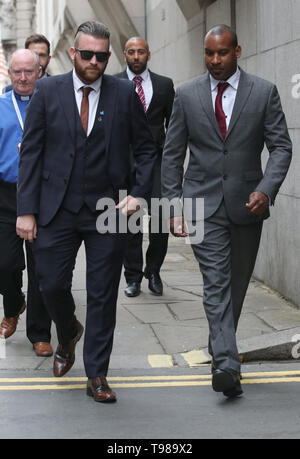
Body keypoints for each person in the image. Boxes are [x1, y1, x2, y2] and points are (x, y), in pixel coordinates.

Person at [16, 21, 157, 403]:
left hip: (107, 211)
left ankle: (97, 374)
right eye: (87, 54)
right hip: (56, 208)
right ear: (74, 53)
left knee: (102, 294)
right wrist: (25, 210)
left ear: (108, 56)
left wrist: (139, 195)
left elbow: (147, 149)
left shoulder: (124, 93)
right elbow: (30, 153)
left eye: (101, 55)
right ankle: (68, 332)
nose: (94, 61)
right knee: (51, 285)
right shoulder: (47, 90)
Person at [161, 25, 292, 398]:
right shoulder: (186, 95)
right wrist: (173, 207)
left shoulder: (263, 92)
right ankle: (227, 365)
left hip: (247, 205)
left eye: (221, 53)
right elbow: (172, 156)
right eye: (209, 53)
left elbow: (281, 147)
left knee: (235, 285)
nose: (214, 61)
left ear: (237, 51)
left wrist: (267, 190)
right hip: (202, 204)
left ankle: (220, 345)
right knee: (216, 283)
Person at [0, 49, 53, 357]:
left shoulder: (51, 104)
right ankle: (13, 303)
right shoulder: (1, 105)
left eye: (28, 72)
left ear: (39, 72)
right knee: (4, 263)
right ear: (11, 74)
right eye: (17, 72)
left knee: (42, 269)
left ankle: (40, 333)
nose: (22, 77)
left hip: (44, 195)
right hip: (6, 194)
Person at [115, 37, 175, 297]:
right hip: (125, 161)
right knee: (130, 221)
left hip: (158, 160)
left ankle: (153, 270)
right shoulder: (113, 84)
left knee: (161, 218)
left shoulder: (164, 85)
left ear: (148, 55)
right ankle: (133, 277)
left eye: (141, 52)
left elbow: (174, 126)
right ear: (124, 55)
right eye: (131, 52)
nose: (136, 56)